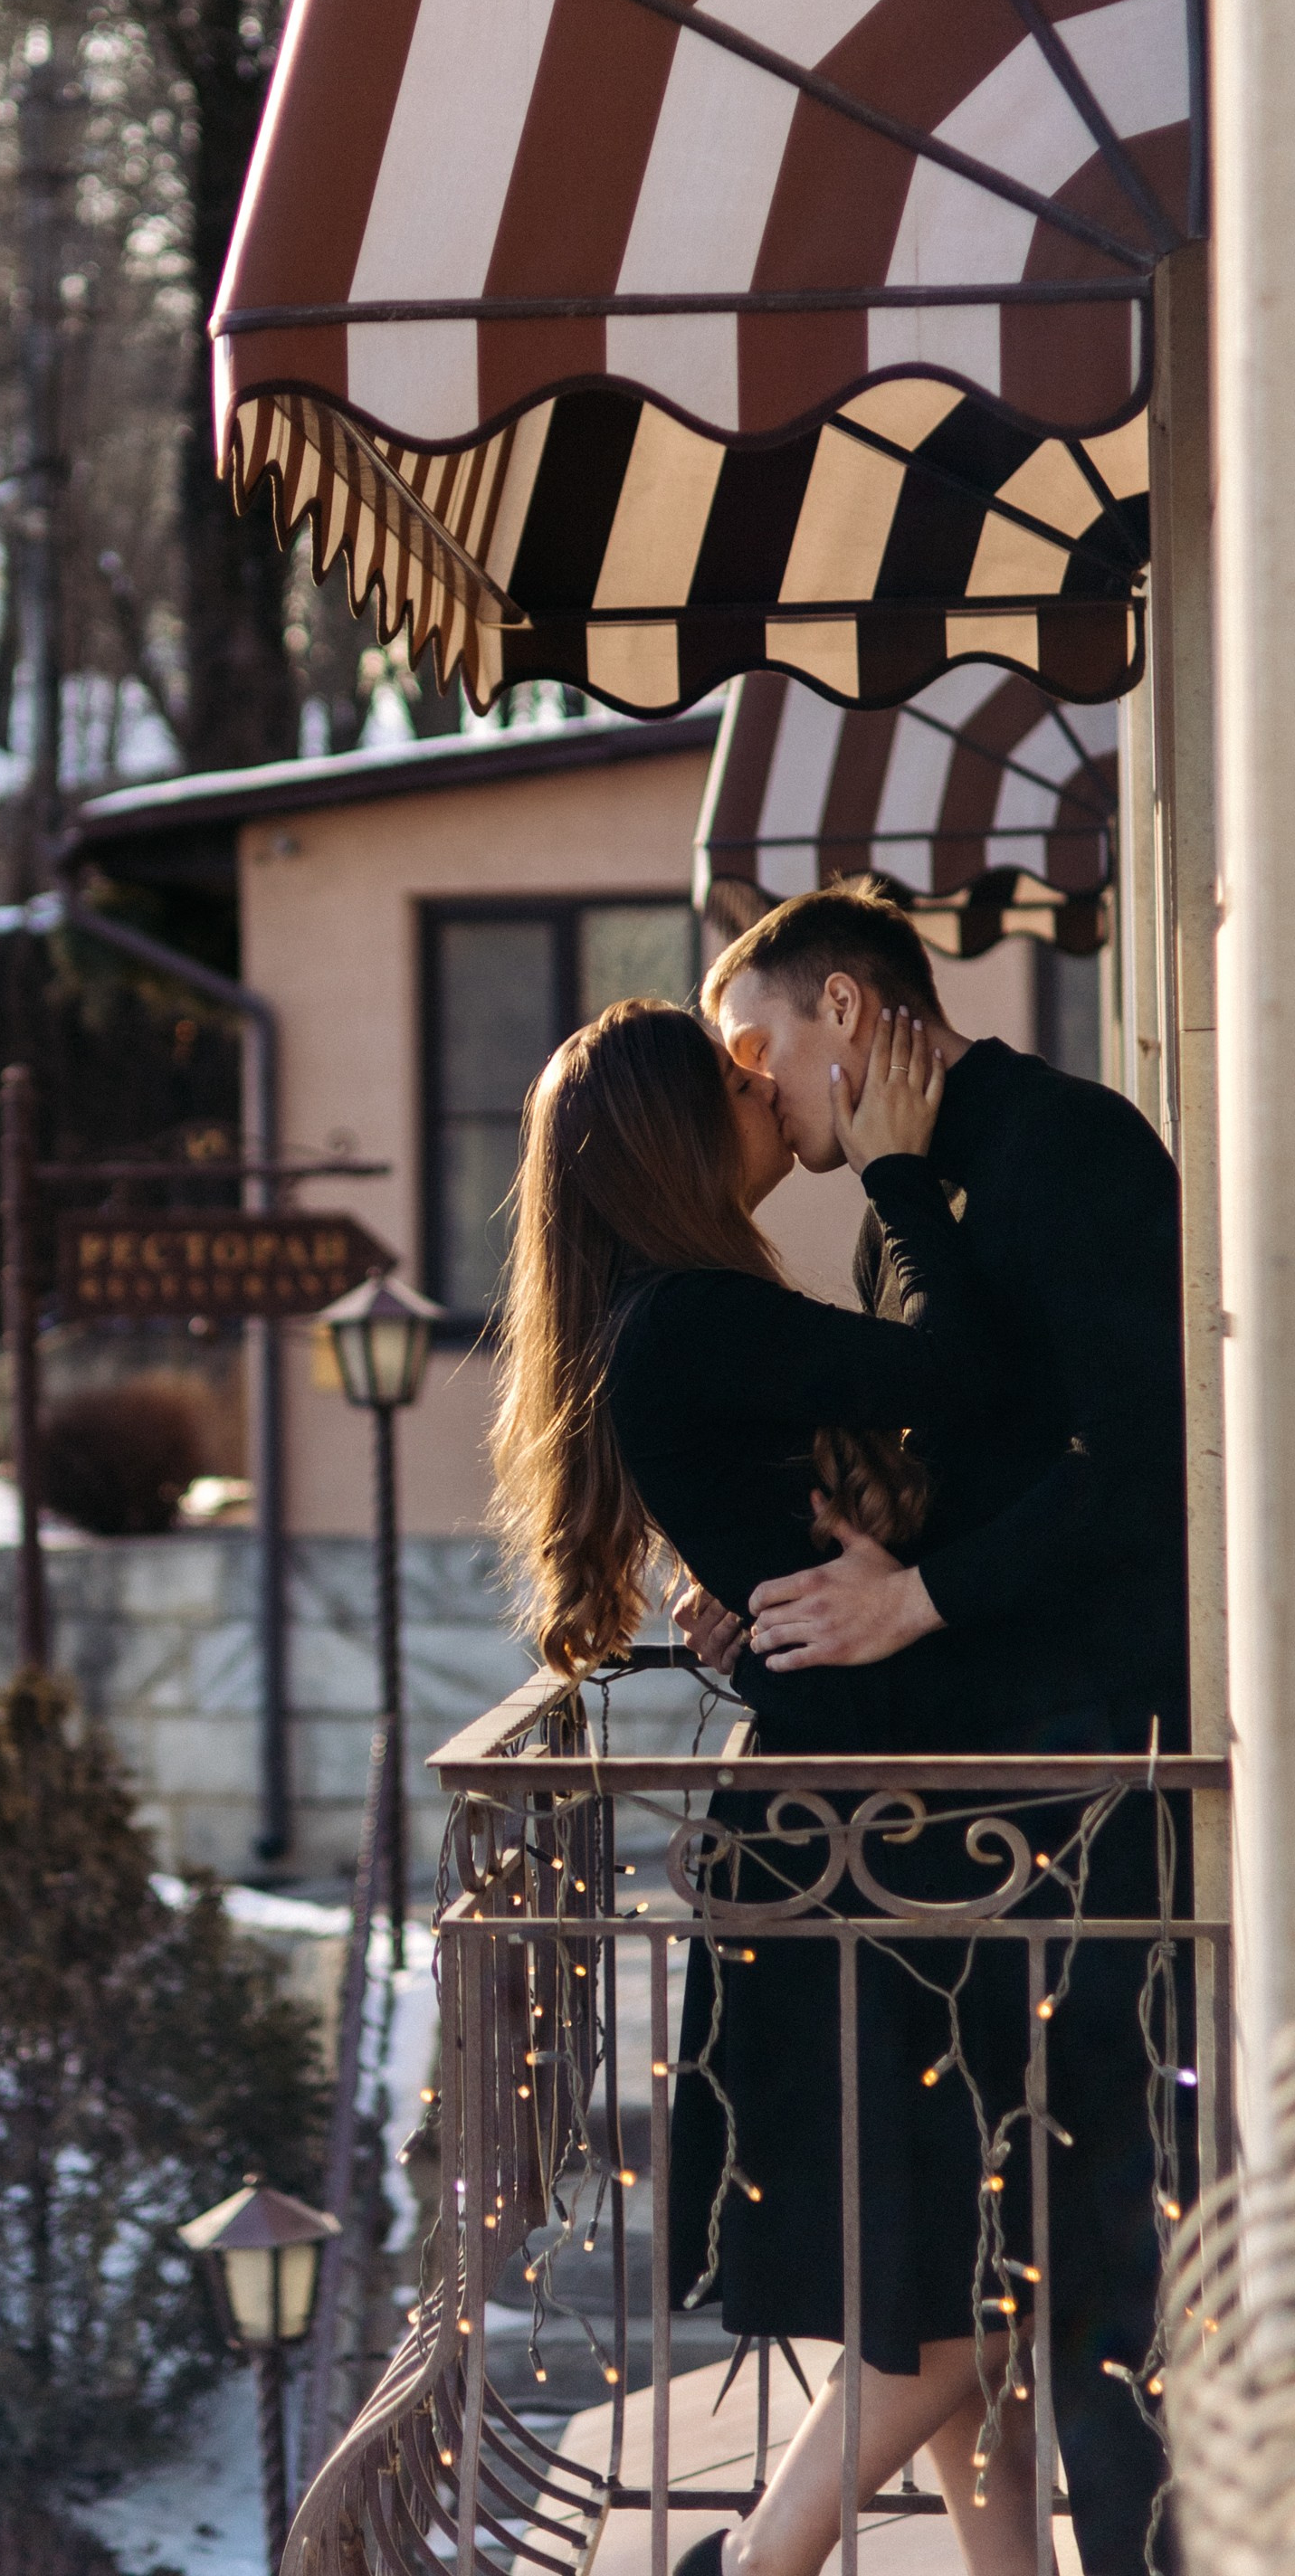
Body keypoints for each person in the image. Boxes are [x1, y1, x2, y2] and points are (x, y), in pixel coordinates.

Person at [491, 997, 1043, 2576]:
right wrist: (902, 1176)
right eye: (730, 1078)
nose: (763, 1088)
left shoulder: (668, 1320)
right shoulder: (695, 1319)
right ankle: (752, 2565)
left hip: (850, 1823)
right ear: (675, 1132)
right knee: (968, 2287)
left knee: (940, 2277)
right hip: (871, 1833)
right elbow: (975, 1380)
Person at [684, 883, 1188, 2576]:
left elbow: (1142, 1461)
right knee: (975, 2238)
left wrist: (918, 1603)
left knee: (1078, 2237)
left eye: (753, 1047)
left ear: (844, 1008)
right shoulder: (897, 1214)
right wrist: (796, 1578)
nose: (750, 1090)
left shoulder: (1072, 1147)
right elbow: (950, 1464)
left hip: (1091, 1778)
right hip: (972, 1796)